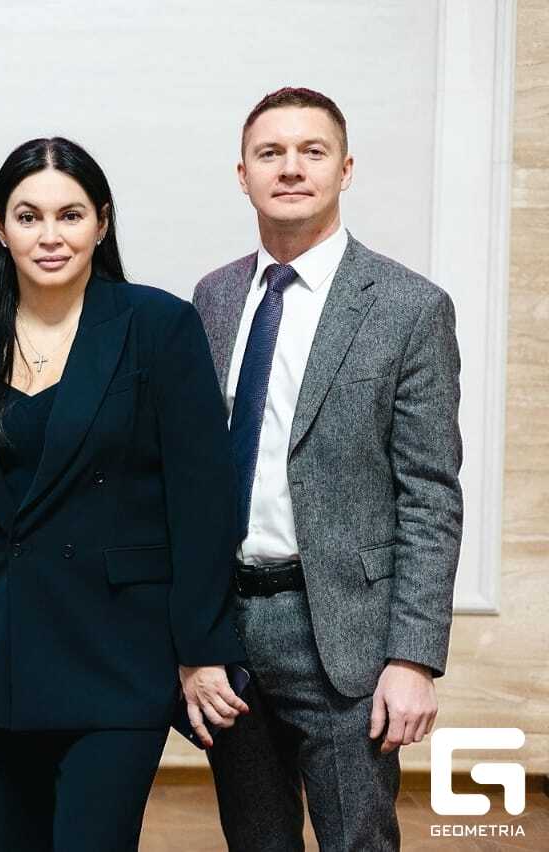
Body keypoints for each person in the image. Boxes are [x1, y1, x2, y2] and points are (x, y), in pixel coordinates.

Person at [0, 137, 247, 852]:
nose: (50, 235)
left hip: (117, 654)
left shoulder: (158, 328)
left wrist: (202, 648)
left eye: (69, 215)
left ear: (102, 222)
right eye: (28, 216)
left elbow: (203, 501)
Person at [194, 87, 463, 851]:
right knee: (255, 840)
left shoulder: (408, 307)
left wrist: (412, 658)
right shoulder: (213, 299)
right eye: (270, 153)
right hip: (232, 633)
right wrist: (192, 638)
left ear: (344, 170)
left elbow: (431, 495)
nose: (290, 168)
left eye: (311, 152)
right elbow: (192, 478)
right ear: (242, 174)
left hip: (348, 640)